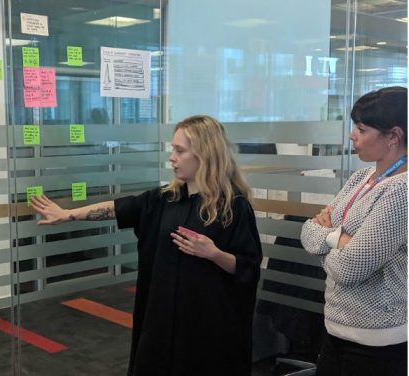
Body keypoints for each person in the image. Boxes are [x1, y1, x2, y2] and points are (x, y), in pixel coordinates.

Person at [30, 115, 262, 375]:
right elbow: (116, 208)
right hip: (161, 319)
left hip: (206, 326)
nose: (172, 157)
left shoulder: (233, 208)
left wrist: (213, 253)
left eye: (180, 150)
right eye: (172, 149)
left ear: (204, 154)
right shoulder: (165, 199)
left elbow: (248, 268)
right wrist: (69, 214)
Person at [300, 86, 407, 376]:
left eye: (361, 129)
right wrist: (339, 239)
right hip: (336, 327)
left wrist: (329, 239)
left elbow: (351, 268)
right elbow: (308, 232)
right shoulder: (361, 177)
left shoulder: (401, 190)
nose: (351, 136)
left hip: (377, 340)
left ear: (393, 136)